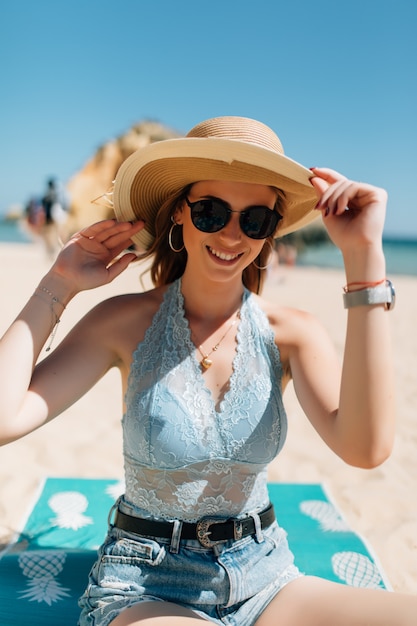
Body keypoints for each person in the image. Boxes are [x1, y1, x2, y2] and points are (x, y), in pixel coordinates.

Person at [0, 115, 413, 626]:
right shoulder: (123, 324)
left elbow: (366, 448)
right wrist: (58, 284)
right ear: (179, 213)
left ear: (271, 231)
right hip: (147, 581)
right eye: (211, 211)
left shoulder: (292, 334)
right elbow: (4, 417)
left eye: (254, 219)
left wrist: (364, 257)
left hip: (265, 575)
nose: (232, 234)